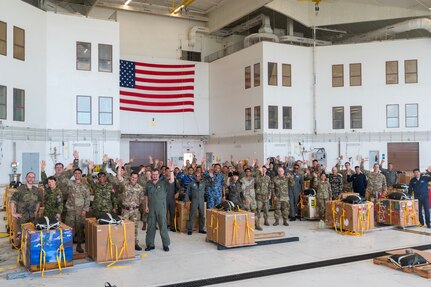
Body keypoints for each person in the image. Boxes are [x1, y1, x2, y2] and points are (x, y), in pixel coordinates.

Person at [144, 163, 175, 252]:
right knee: (150, 226)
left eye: (156, 174)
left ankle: (165, 244)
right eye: (153, 174)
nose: (154, 176)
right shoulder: (148, 183)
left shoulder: (164, 182)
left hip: (161, 208)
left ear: (158, 175)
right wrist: (146, 206)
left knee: (163, 226)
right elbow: (146, 195)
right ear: (151, 175)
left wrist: (171, 171)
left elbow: (172, 181)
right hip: (151, 208)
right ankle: (150, 244)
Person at [117, 161, 145, 251]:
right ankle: (123, 243)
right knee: (123, 227)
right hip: (125, 210)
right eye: (132, 177)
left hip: (135, 211)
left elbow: (141, 199)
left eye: (135, 178)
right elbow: (119, 177)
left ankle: (135, 243)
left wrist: (135, 205)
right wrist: (120, 166)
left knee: (134, 228)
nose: (134, 179)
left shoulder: (140, 188)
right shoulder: (125, 184)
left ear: (137, 178)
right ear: (130, 177)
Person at [10, 172, 42, 245]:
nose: (31, 178)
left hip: (32, 217)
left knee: (31, 234)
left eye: (33, 177)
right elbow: (13, 200)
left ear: (34, 179)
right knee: (19, 234)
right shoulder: (20, 189)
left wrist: (36, 211)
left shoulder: (36, 190)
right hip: (21, 217)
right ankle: (19, 246)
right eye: (29, 177)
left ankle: (28, 247)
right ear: (26, 178)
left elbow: (38, 202)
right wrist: (13, 213)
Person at [65, 168, 91, 253]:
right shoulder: (70, 183)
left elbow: (87, 199)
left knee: (80, 228)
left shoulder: (85, 186)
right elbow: (63, 179)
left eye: (79, 173)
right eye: (75, 173)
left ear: (81, 175)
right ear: (73, 174)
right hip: (71, 210)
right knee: (69, 228)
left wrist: (85, 210)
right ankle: (67, 246)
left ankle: (79, 246)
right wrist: (67, 170)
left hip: (80, 211)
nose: (77, 175)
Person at [165, 167, 180, 232]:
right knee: (164, 214)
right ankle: (164, 226)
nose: (168, 173)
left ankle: (172, 226)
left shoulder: (174, 179)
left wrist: (177, 193)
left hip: (171, 199)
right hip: (164, 199)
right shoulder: (162, 179)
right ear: (165, 172)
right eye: (167, 171)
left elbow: (178, 187)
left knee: (172, 213)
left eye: (169, 171)